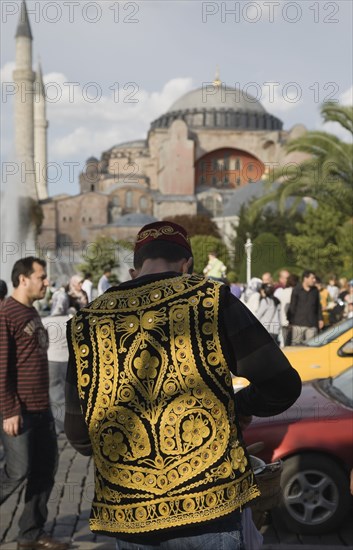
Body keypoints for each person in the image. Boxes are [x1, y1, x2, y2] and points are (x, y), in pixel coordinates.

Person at [65, 221, 301, 550]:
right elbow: (282, 385)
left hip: (130, 515)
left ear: (135, 271)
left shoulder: (85, 323)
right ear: (186, 265)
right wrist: (238, 408)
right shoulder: (211, 300)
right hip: (210, 506)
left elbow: (79, 434)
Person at [0, 257, 69, 550]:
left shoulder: (31, 312)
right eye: (41, 277)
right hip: (20, 411)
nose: (46, 282)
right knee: (17, 471)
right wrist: (10, 410)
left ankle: (31, 532)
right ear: (23, 279)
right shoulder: (7, 314)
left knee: (45, 468)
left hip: (41, 410)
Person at [42, 286, 73, 434]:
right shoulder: (71, 319)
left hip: (52, 360)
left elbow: (42, 342)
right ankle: (70, 423)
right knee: (68, 393)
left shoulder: (46, 321)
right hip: (68, 360)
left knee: (54, 392)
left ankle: (58, 424)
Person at [287, 270, 324, 345]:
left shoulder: (315, 291)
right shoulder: (296, 290)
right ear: (305, 278)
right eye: (312, 278)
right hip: (298, 324)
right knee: (296, 347)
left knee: (311, 346)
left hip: (312, 324)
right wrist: (290, 321)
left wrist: (320, 319)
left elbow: (318, 306)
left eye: (315, 278)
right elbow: (292, 307)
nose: (314, 280)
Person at [278, 273, 299, 347]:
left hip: (283, 321)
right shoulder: (296, 292)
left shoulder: (283, 292)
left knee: (286, 344)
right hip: (292, 322)